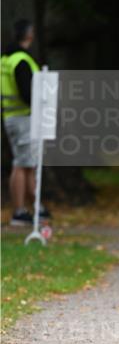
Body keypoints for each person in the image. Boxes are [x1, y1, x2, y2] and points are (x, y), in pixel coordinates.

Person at [1, 19, 51, 226]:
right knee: (22, 164)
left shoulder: (6, 59)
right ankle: (19, 211)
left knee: (27, 163)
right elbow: (27, 93)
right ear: (30, 35)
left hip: (11, 116)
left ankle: (36, 208)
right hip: (23, 118)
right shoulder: (21, 60)